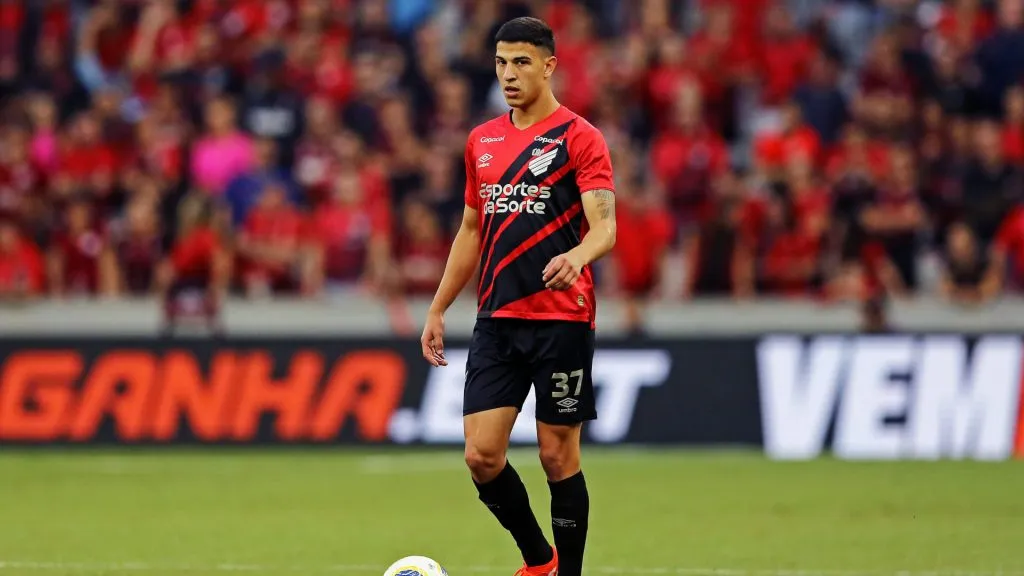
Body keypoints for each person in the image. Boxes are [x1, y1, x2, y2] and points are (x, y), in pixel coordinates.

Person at [419, 17, 616, 576]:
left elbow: (605, 227)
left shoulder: (579, 137)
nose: (509, 74)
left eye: (522, 62)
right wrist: (437, 307)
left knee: (557, 455)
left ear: (549, 65)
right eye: (502, 62)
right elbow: (470, 229)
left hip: (562, 321)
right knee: (481, 454)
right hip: (498, 318)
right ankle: (539, 562)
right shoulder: (481, 141)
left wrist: (576, 256)